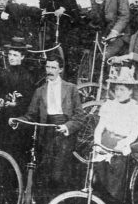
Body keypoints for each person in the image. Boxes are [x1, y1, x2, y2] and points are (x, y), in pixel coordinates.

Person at [12, 54, 85, 190]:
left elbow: (80, 116)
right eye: (47, 67)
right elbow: (31, 115)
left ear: (60, 70)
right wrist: (18, 120)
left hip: (64, 133)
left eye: (53, 67)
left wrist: (67, 127)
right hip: (46, 132)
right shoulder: (40, 91)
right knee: (46, 173)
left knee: (60, 174)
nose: (50, 70)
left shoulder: (71, 89)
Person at [92, 66, 138, 202]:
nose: (118, 92)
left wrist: (123, 143)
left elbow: (134, 132)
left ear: (130, 91)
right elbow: (100, 127)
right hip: (105, 142)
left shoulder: (135, 109)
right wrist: (97, 143)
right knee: (98, 175)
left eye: (122, 89)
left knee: (115, 180)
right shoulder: (109, 105)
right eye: (116, 89)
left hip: (121, 144)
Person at [0, 37, 36, 161]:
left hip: (20, 121)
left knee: (19, 154)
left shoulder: (28, 77)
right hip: (3, 120)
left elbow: (30, 102)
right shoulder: (2, 74)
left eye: (15, 55)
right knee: (3, 153)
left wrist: (16, 104)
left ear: (22, 57)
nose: (11, 57)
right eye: (9, 54)